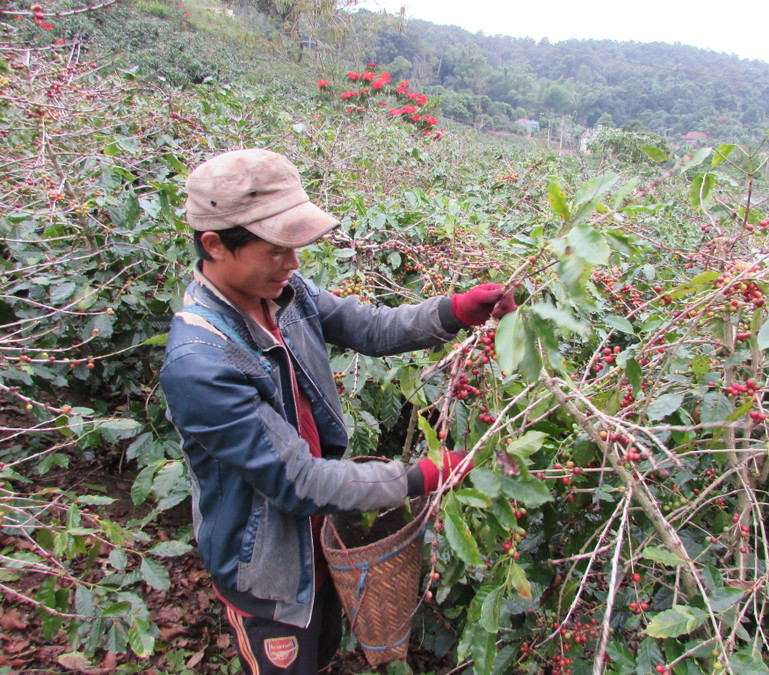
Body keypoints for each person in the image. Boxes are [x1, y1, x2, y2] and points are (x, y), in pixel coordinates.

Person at [159, 148, 516, 674]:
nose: (294, 263)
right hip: (268, 568)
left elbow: (368, 327)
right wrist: (426, 475)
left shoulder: (287, 292)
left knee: (321, 653)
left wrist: (454, 310)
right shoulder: (200, 364)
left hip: (320, 537)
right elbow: (298, 481)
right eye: (277, 248)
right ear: (214, 244)